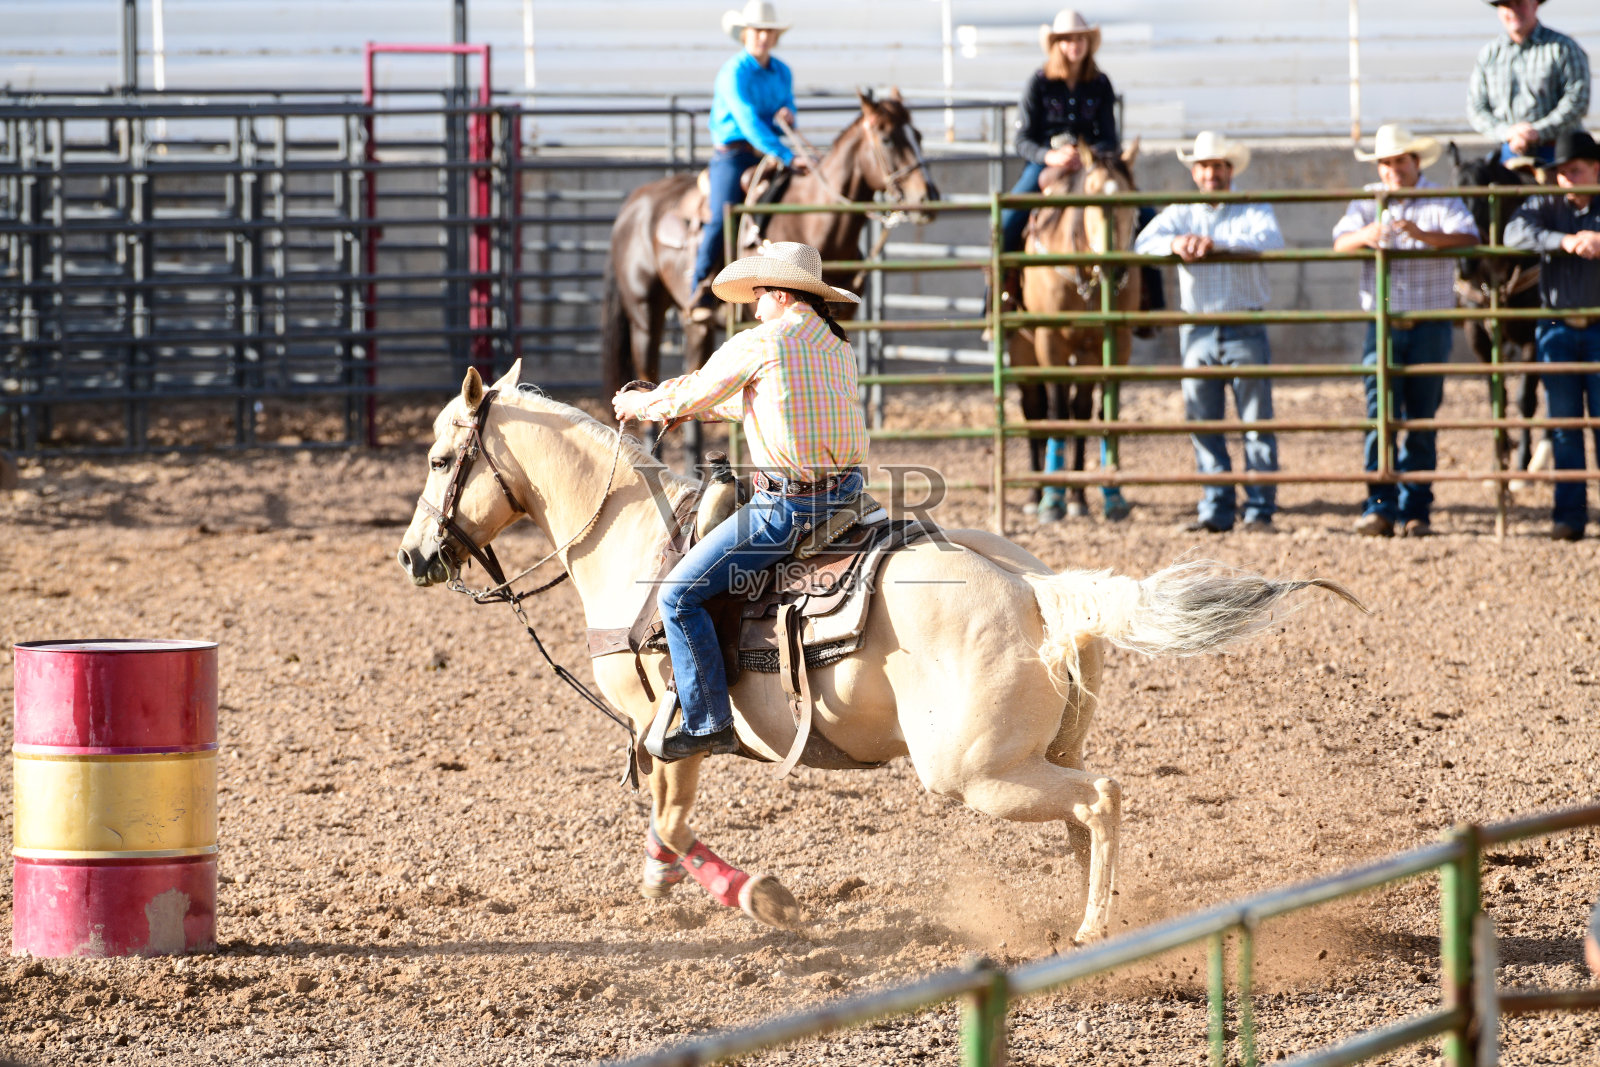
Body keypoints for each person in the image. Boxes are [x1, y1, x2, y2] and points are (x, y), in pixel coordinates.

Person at [612, 242, 866, 760]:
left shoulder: (763, 341)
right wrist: (697, 411)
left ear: (778, 292)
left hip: (789, 509)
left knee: (678, 595)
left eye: (757, 294)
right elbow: (767, 401)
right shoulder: (837, 347)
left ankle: (708, 721)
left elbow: (695, 391)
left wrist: (640, 404)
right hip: (848, 494)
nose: (753, 305)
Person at [1133, 132, 1283, 534]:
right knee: (1204, 417)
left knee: (1254, 418)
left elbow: (1270, 239)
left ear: (1229, 170)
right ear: (1196, 173)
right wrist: (1178, 242)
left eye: (1218, 166)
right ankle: (1218, 506)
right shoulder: (1182, 212)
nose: (1211, 174)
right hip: (1200, 323)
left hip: (1240, 321)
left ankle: (1258, 508)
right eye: (1205, 167)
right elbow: (1145, 242)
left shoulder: (1250, 205)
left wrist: (1214, 243)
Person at [1333, 124, 1479, 539]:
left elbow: (1470, 235)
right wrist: (1366, 235)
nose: (1393, 169)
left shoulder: (1440, 197)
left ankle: (1415, 509)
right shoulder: (1368, 199)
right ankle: (1380, 505)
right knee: (1380, 413)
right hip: (1384, 323)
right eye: (1386, 162)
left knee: (1420, 417)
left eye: (1400, 160)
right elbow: (1340, 242)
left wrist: (1423, 236)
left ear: (1416, 162)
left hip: (1428, 322)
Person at [1505, 128, 1600, 542]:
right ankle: (1569, 515)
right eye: (1561, 172)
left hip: (1587, 326)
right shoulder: (1545, 204)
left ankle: (1571, 516)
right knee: (1562, 423)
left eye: (1575, 171)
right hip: (1558, 326)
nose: (1566, 180)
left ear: (1596, 169)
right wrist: (1564, 241)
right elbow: (1513, 234)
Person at [689, 1, 810, 324]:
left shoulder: (782, 71)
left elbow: (788, 105)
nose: (763, 37)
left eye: (769, 31)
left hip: (767, 151)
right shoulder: (734, 71)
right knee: (722, 213)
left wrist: (789, 115)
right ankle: (699, 287)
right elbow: (748, 121)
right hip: (734, 153)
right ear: (745, 34)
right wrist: (786, 155)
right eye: (757, 31)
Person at [1002, 9, 1120, 263]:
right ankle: (998, 294)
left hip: (1093, 164)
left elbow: (1111, 139)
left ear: (1088, 43)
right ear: (1057, 44)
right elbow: (1022, 139)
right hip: (1045, 163)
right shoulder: (1039, 82)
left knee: (1142, 213)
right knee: (1006, 222)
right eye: (1067, 39)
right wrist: (1052, 156)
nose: (1074, 45)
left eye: (1080, 38)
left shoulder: (1100, 84)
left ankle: (1150, 296)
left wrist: (1089, 154)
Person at [1468, 0, 1590, 167]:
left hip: (1560, 156)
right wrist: (1508, 132)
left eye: (1519, 3)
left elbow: (1577, 100)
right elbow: (1476, 108)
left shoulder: (1564, 48)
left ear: (1535, 5)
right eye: (1506, 5)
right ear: (1498, 10)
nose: (1513, 11)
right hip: (1509, 153)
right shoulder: (1489, 55)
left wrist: (1537, 132)